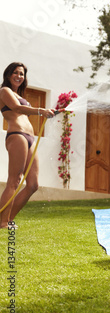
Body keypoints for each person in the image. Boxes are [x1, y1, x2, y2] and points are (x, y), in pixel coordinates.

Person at [0, 62, 55, 228]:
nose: (19, 76)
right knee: (14, 181)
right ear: (9, 75)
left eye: (22, 74)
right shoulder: (4, 91)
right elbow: (16, 109)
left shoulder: (20, 95)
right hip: (17, 135)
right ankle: (3, 222)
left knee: (33, 185)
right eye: (15, 73)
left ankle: (8, 218)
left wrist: (46, 113)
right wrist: (40, 111)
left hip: (30, 137)